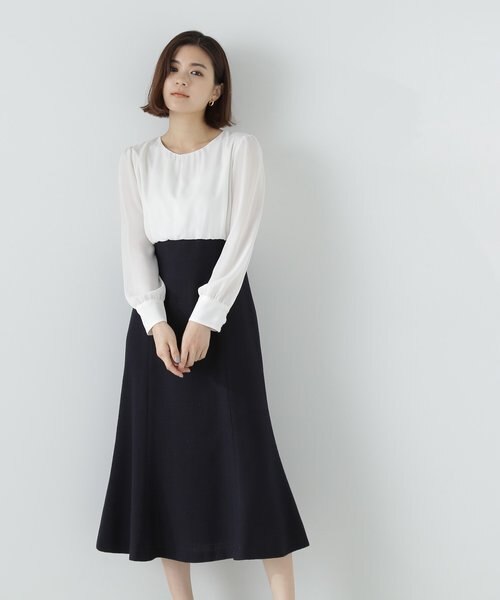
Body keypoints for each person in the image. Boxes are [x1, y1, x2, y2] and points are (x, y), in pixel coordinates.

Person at [95, 30, 310, 600]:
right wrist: (156, 321)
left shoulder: (240, 150)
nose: (182, 80)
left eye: (197, 72)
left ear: (216, 90)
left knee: (249, 455)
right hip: (156, 327)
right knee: (164, 459)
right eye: (174, 68)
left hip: (225, 316)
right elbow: (134, 249)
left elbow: (241, 239)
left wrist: (205, 317)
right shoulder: (136, 160)